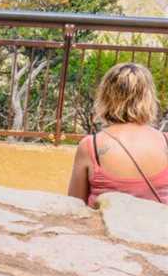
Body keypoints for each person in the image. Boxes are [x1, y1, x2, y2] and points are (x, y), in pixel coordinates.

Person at [68, 62, 168, 206]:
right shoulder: (165, 142)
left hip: (107, 228)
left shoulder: (91, 147)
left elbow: (75, 205)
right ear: (149, 98)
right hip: (157, 227)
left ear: (105, 97)